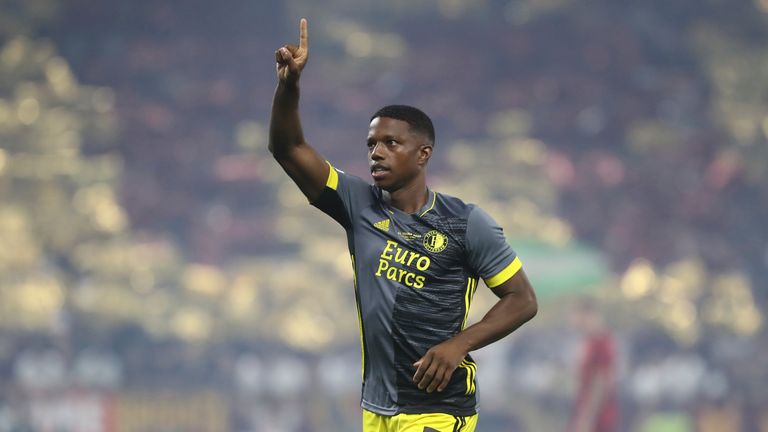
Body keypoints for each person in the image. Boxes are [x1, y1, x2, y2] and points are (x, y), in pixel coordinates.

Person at [269, 18, 538, 432]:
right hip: (377, 408)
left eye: (390, 143)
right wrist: (289, 87)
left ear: (423, 153)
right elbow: (287, 148)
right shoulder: (357, 204)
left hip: (438, 407)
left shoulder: (466, 222)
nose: (377, 152)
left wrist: (458, 345)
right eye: (371, 144)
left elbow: (522, 299)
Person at [568, 299, 619, 432]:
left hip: (597, 415)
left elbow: (600, 382)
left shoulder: (601, 342)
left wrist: (587, 419)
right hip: (586, 409)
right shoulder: (588, 341)